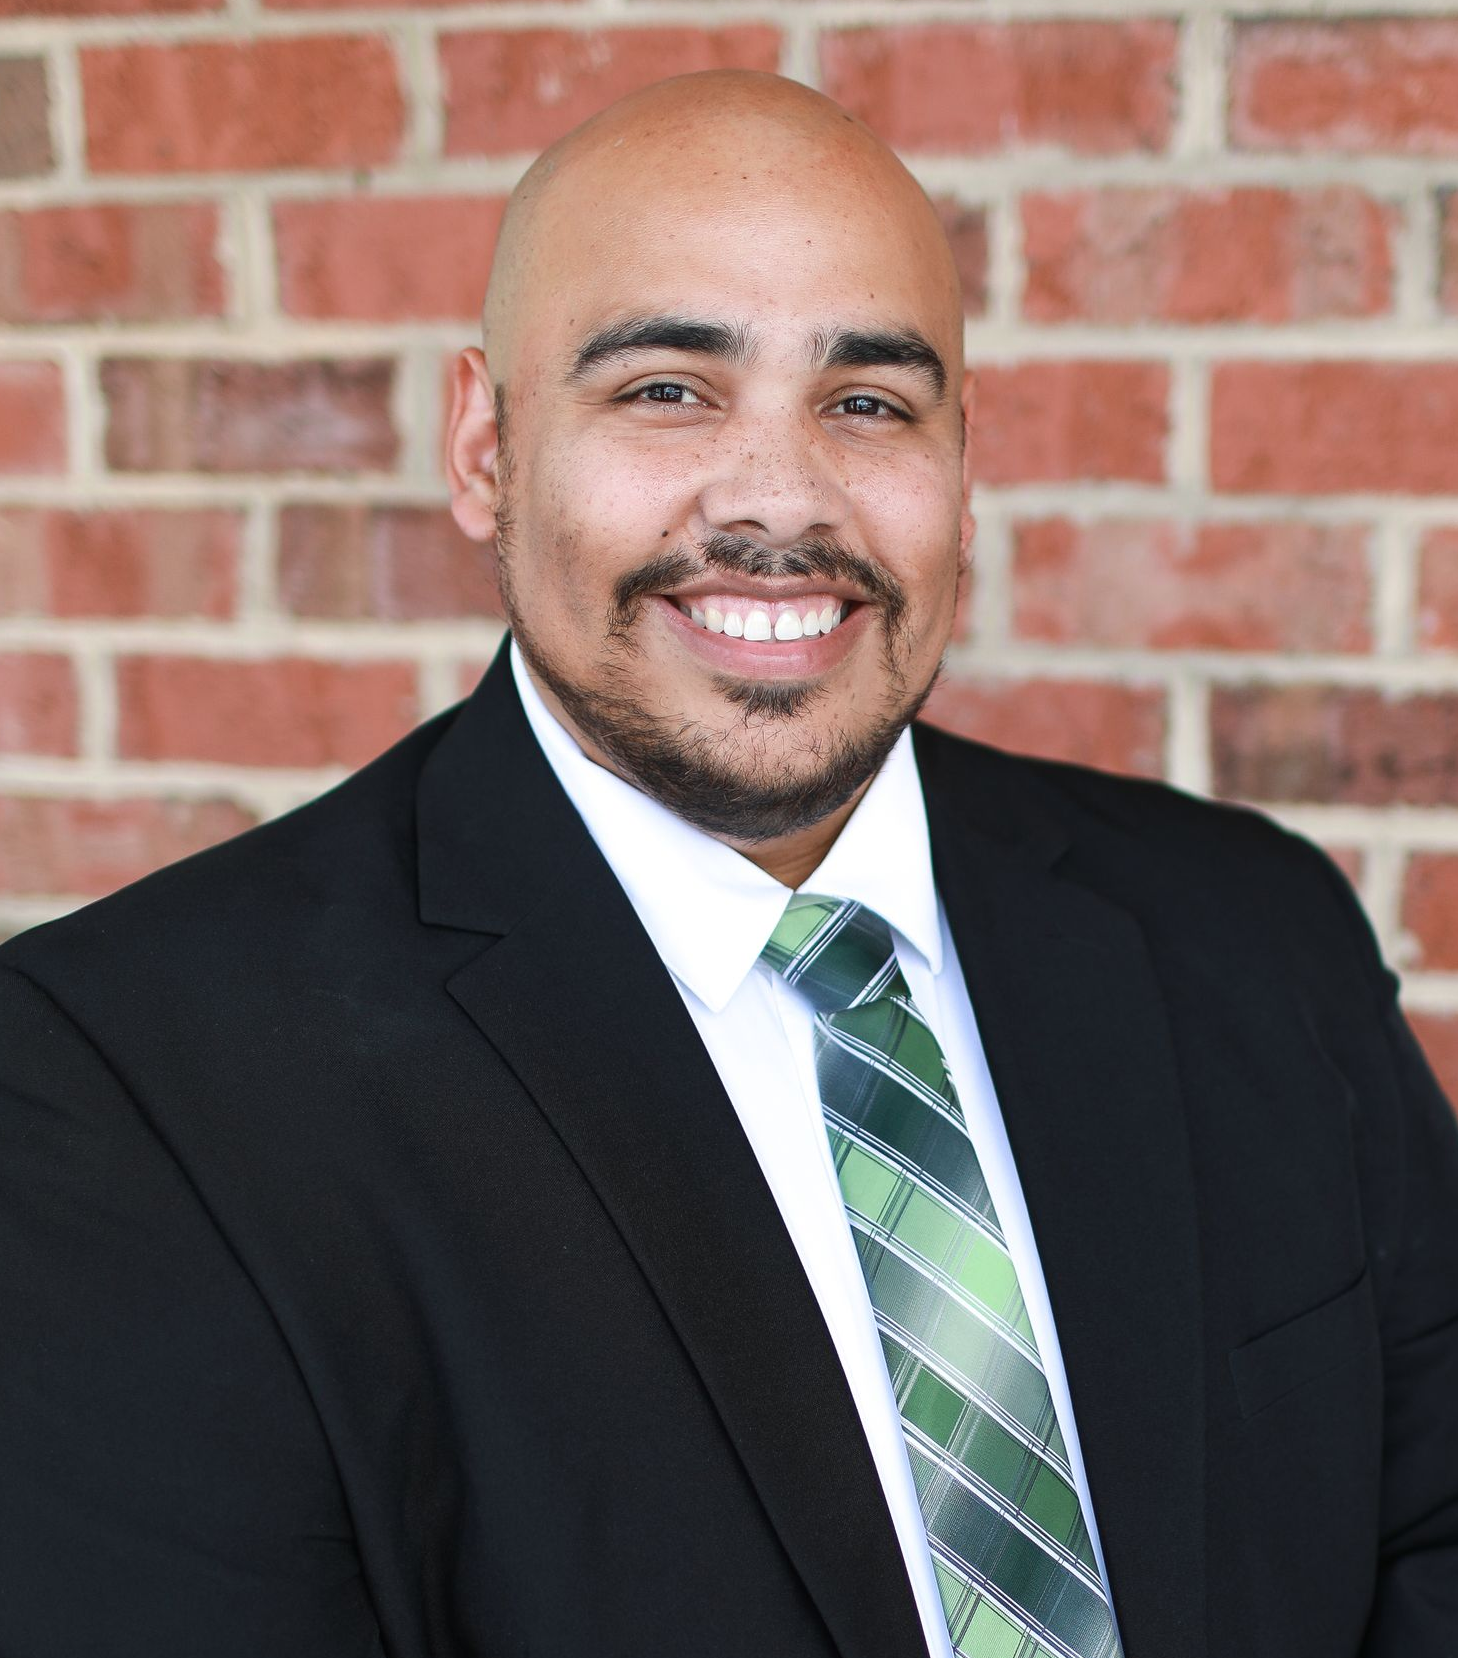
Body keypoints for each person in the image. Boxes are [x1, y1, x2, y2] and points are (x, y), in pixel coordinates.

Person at [1, 68, 1454, 1658]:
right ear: (485, 447)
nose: (778, 501)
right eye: (665, 390)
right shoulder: (130, 1093)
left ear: (963, 470)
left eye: (867, 402)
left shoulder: (1252, 927)